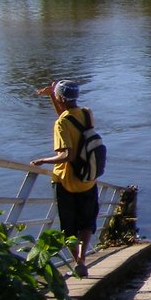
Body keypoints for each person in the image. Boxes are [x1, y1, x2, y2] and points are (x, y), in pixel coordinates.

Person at [30, 79, 99, 277]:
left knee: (68, 227)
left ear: (61, 98)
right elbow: (68, 119)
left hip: (66, 181)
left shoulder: (61, 123)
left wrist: (42, 160)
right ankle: (82, 259)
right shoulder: (86, 113)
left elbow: (66, 155)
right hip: (88, 179)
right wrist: (53, 95)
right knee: (87, 223)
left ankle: (77, 261)